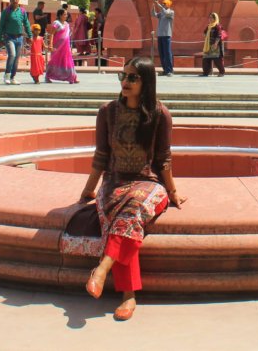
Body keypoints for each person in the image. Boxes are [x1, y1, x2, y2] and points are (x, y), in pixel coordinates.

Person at [80, 56, 185, 320]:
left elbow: (164, 159)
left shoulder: (160, 115)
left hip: (148, 183)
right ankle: (128, 295)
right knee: (124, 218)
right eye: (123, 76)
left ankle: (103, 270)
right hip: (114, 181)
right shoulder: (107, 112)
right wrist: (88, 191)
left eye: (132, 77)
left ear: (146, 83)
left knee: (133, 208)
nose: (125, 82)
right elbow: (101, 156)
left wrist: (172, 193)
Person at [0, 0, 33, 85]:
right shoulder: (6, 12)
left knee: (17, 58)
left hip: (19, 37)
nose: (14, 1)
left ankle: (13, 77)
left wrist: (30, 36)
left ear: (18, 1)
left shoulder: (22, 11)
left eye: (16, 0)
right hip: (9, 37)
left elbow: (26, 24)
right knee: (12, 55)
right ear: (10, 1)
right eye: (13, 0)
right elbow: (1, 26)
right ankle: (7, 75)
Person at [45, 8, 79, 83]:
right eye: (64, 14)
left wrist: (70, 46)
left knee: (68, 61)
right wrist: (50, 44)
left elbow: (67, 36)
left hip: (65, 47)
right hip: (57, 47)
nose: (66, 16)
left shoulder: (66, 24)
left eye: (66, 14)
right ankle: (48, 76)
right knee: (54, 61)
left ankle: (72, 77)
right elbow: (52, 34)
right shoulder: (56, 23)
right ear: (60, 15)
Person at [152, 0, 175, 76]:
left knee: (167, 53)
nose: (162, 4)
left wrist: (159, 5)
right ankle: (165, 70)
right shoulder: (162, 13)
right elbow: (154, 14)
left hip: (167, 35)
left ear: (168, 5)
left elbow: (166, 13)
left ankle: (169, 70)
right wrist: (154, 6)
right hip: (160, 35)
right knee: (161, 53)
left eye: (164, 4)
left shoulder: (171, 12)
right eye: (162, 3)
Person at [200, 12, 226, 77]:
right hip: (208, 46)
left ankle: (221, 72)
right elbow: (204, 32)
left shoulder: (217, 26)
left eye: (211, 18)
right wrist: (206, 37)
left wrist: (215, 43)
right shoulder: (209, 26)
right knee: (206, 60)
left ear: (215, 18)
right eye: (209, 17)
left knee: (217, 60)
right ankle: (205, 73)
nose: (210, 19)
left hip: (215, 46)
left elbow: (219, 35)